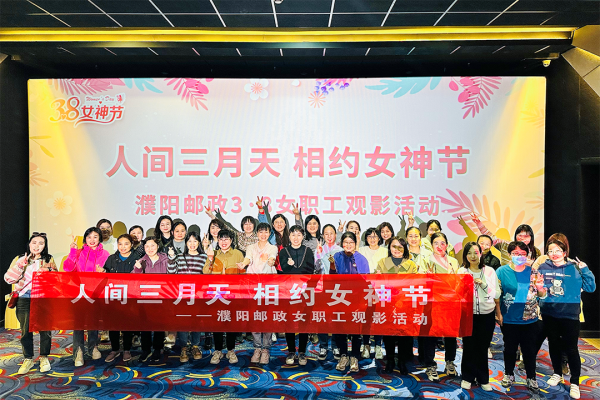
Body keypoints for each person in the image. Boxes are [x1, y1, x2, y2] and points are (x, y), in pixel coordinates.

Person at [536, 234, 596, 399]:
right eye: (550, 251)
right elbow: (539, 291)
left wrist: (586, 270)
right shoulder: (543, 267)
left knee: (571, 349)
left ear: (564, 252)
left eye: (558, 250)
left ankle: (575, 382)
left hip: (570, 315)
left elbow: (590, 288)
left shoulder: (575, 268)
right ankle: (557, 373)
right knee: (554, 345)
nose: (554, 254)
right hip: (549, 313)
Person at [497, 241, 547, 394]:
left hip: (529, 319)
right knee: (510, 349)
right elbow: (497, 295)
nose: (519, 256)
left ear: (527, 255)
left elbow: (542, 294)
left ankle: (531, 377)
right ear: (509, 254)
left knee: (529, 350)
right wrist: (498, 314)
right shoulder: (502, 271)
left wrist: (540, 289)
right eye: (516, 254)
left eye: (523, 254)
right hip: (509, 317)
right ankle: (509, 374)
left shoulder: (533, 272)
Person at [4, 232, 57, 374]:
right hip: (24, 297)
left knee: (45, 329)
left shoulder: (48, 259)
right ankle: (28, 358)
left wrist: (49, 270)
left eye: (41, 243)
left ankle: (44, 357)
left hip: (43, 297)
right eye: (34, 242)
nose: (37, 246)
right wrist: (20, 266)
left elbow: (55, 279)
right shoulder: (20, 259)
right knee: (25, 329)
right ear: (29, 244)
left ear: (45, 246)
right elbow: (8, 279)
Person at [458, 242, 501, 391]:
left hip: (486, 314)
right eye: (469, 253)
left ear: (481, 254)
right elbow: (457, 294)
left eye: (475, 253)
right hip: (468, 315)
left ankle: (483, 378)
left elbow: (497, 294)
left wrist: (483, 285)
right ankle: (467, 377)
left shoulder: (489, 271)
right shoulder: (461, 271)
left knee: (483, 347)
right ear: (465, 256)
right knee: (469, 346)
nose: (472, 256)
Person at [64, 227, 109, 366]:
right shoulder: (78, 252)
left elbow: (108, 273)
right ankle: (78, 351)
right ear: (85, 239)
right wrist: (72, 252)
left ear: (100, 238)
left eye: (95, 236)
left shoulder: (105, 254)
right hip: (79, 292)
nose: (92, 240)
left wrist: (103, 272)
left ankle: (93, 347)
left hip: (96, 293)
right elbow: (67, 268)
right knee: (78, 323)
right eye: (89, 237)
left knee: (93, 322)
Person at [419, 232, 459, 382]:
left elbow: (459, 282)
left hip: (450, 303)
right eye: (436, 243)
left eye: (442, 243)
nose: (439, 246)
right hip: (432, 303)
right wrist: (427, 277)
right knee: (431, 335)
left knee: (450, 335)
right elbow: (419, 280)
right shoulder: (425, 260)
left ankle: (450, 361)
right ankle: (430, 365)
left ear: (447, 245)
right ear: (431, 245)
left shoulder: (453, 262)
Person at [237, 222, 278, 364]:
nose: (263, 234)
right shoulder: (251, 247)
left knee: (267, 317)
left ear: (269, 234)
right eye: (261, 232)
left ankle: (266, 349)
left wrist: (271, 261)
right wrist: (243, 264)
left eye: (266, 232)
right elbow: (248, 258)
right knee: (255, 316)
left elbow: (272, 258)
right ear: (257, 233)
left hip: (268, 285)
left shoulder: (272, 247)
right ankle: (257, 348)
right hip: (253, 285)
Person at [377, 236, 417, 375]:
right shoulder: (382, 262)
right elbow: (379, 284)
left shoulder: (411, 264)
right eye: (394, 246)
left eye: (400, 246)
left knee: (403, 335)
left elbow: (413, 284)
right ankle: (390, 360)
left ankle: (402, 361)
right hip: (387, 304)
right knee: (388, 334)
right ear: (389, 248)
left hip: (405, 304)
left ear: (405, 248)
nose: (397, 249)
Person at [330, 231, 369, 373]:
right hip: (340, 297)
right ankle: (343, 355)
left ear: (355, 244)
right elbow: (332, 277)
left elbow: (366, 280)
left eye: (351, 242)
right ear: (342, 243)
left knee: (355, 329)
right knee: (341, 328)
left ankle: (354, 357)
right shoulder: (337, 256)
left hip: (356, 298)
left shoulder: (361, 259)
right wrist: (332, 266)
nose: (348, 245)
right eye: (345, 242)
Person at [204, 230, 244, 364]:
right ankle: (218, 350)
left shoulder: (238, 254)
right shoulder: (213, 254)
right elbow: (205, 272)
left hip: (232, 294)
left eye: (226, 239)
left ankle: (231, 350)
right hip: (216, 294)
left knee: (231, 323)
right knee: (217, 322)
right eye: (221, 239)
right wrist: (210, 259)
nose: (224, 242)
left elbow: (243, 274)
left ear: (231, 240)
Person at [167, 231, 208, 362]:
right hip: (183, 294)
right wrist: (171, 258)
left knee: (197, 320)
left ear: (199, 243)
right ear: (186, 243)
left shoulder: (204, 257)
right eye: (189, 241)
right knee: (183, 320)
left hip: (198, 294)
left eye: (195, 241)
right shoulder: (179, 256)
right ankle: (184, 347)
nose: (192, 244)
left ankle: (195, 345)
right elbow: (171, 272)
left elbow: (207, 275)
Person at [278, 225, 316, 366]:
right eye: (293, 235)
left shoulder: (308, 251)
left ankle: (302, 352)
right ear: (289, 237)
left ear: (303, 237)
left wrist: (302, 281)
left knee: (303, 322)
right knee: (289, 321)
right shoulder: (284, 251)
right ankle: (291, 351)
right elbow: (284, 271)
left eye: (299, 235)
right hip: (289, 291)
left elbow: (310, 271)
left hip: (304, 291)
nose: (296, 238)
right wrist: (290, 266)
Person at [103, 234, 141, 362]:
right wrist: (102, 272)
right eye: (120, 244)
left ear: (131, 244)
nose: (123, 247)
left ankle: (126, 349)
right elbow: (105, 277)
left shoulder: (137, 258)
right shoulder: (111, 258)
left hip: (130, 296)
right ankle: (114, 349)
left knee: (127, 325)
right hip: (114, 295)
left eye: (126, 244)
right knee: (113, 324)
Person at [133, 237, 169, 362]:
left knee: (159, 325)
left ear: (157, 246)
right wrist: (137, 269)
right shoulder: (141, 261)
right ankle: (146, 349)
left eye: (152, 245)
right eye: (147, 246)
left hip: (161, 297)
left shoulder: (165, 260)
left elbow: (172, 276)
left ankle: (158, 349)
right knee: (145, 325)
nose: (150, 249)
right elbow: (133, 280)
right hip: (145, 298)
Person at [358, 227, 387, 360]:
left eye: (375, 236)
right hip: (365, 287)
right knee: (366, 317)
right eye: (369, 236)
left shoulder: (385, 251)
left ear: (379, 238)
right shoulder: (362, 250)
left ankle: (378, 345)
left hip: (381, 287)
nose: (372, 239)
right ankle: (366, 345)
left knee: (379, 317)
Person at [314, 224, 343, 360]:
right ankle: (323, 346)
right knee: (322, 317)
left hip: (337, 288)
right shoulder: (319, 249)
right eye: (326, 233)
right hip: (321, 287)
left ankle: (336, 345)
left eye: (332, 233)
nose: (329, 236)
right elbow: (316, 269)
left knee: (336, 317)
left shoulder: (340, 250)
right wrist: (318, 255)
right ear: (323, 235)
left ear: (336, 235)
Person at [471, 214, 541, 267]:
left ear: (531, 238)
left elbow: (539, 269)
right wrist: (479, 223)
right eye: (520, 235)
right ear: (516, 236)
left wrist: (531, 264)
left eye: (526, 236)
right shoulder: (505, 245)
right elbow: (491, 237)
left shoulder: (536, 252)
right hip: (506, 279)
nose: (522, 238)